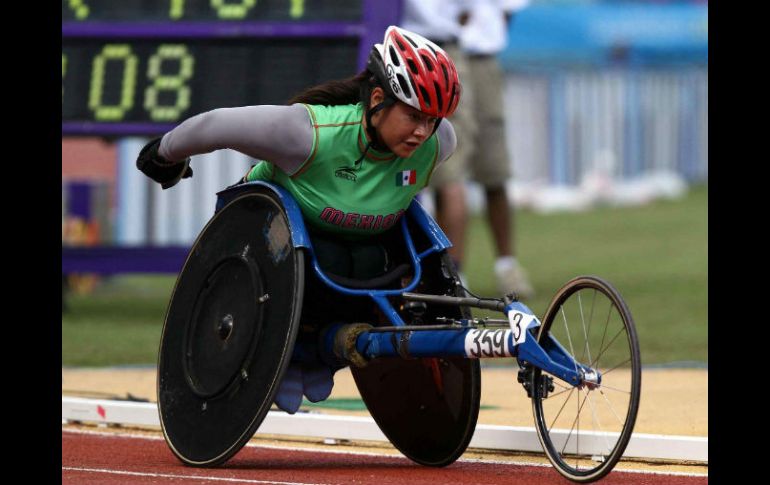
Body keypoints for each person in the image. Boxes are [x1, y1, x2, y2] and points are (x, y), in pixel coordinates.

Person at [135, 26, 462, 414]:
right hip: (265, 242)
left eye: (433, 120)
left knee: (373, 260)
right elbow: (216, 124)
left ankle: (325, 346)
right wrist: (165, 155)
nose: (423, 132)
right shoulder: (308, 134)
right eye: (412, 116)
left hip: (360, 255)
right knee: (332, 257)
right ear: (377, 99)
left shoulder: (441, 143)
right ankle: (296, 344)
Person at [404, 0, 534, 299]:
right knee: (447, 173)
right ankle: (452, 275)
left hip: (453, 51)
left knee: (468, 172)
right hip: (437, 50)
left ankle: (465, 273)